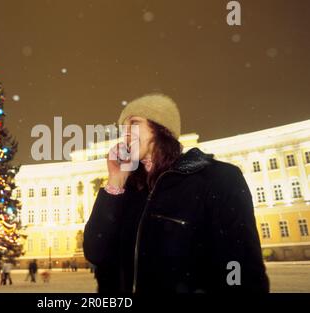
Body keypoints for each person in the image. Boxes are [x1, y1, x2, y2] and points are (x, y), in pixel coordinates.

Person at [83, 94, 269, 294]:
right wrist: (116, 179)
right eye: (124, 129)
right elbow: (96, 253)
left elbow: (240, 266)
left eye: (134, 123)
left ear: (161, 128)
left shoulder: (216, 179)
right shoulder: (126, 191)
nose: (126, 134)